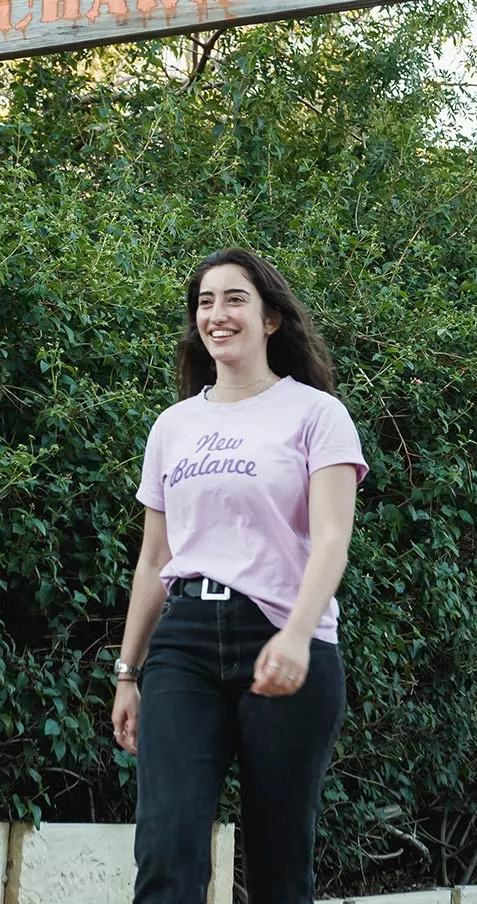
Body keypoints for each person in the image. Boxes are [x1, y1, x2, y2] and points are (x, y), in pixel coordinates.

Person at [111, 248, 367, 904]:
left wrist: (297, 637)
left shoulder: (315, 415)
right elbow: (153, 558)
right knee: (166, 844)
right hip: (185, 642)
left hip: (283, 635)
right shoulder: (174, 426)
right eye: (205, 302)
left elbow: (333, 538)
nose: (216, 315)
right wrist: (128, 672)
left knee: (280, 864)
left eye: (234, 300)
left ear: (271, 318)